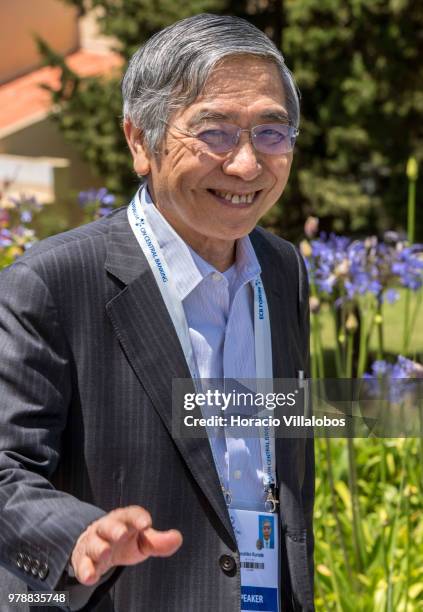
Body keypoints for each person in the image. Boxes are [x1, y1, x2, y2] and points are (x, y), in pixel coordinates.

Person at [0, 13, 314, 612]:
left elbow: (289, 470)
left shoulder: (283, 269)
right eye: (215, 132)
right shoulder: (50, 284)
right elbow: (6, 474)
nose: (247, 165)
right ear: (141, 142)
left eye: (272, 132)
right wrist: (77, 536)